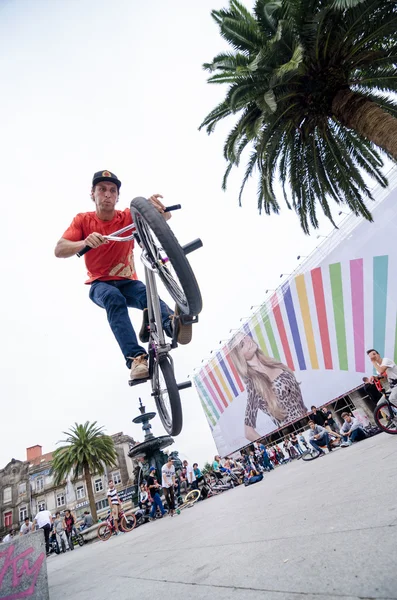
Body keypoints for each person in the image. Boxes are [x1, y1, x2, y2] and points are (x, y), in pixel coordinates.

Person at [54, 171, 192, 381]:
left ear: (117, 196)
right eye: (102, 190)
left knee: (147, 294)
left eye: (112, 191)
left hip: (128, 282)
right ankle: (136, 358)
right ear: (93, 194)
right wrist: (84, 243)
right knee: (113, 298)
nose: (107, 195)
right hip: (100, 284)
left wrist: (159, 212)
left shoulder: (127, 216)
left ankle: (171, 325)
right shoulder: (83, 220)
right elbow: (59, 249)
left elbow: (158, 219)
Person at [229, 333, 307, 441]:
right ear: (239, 356)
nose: (248, 341)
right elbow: (248, 432)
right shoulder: (253, 384)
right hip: (293, 433)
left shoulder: (273, 363)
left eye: (246, 337)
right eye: (242, 344)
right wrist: (273, 446)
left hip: (309, 422)